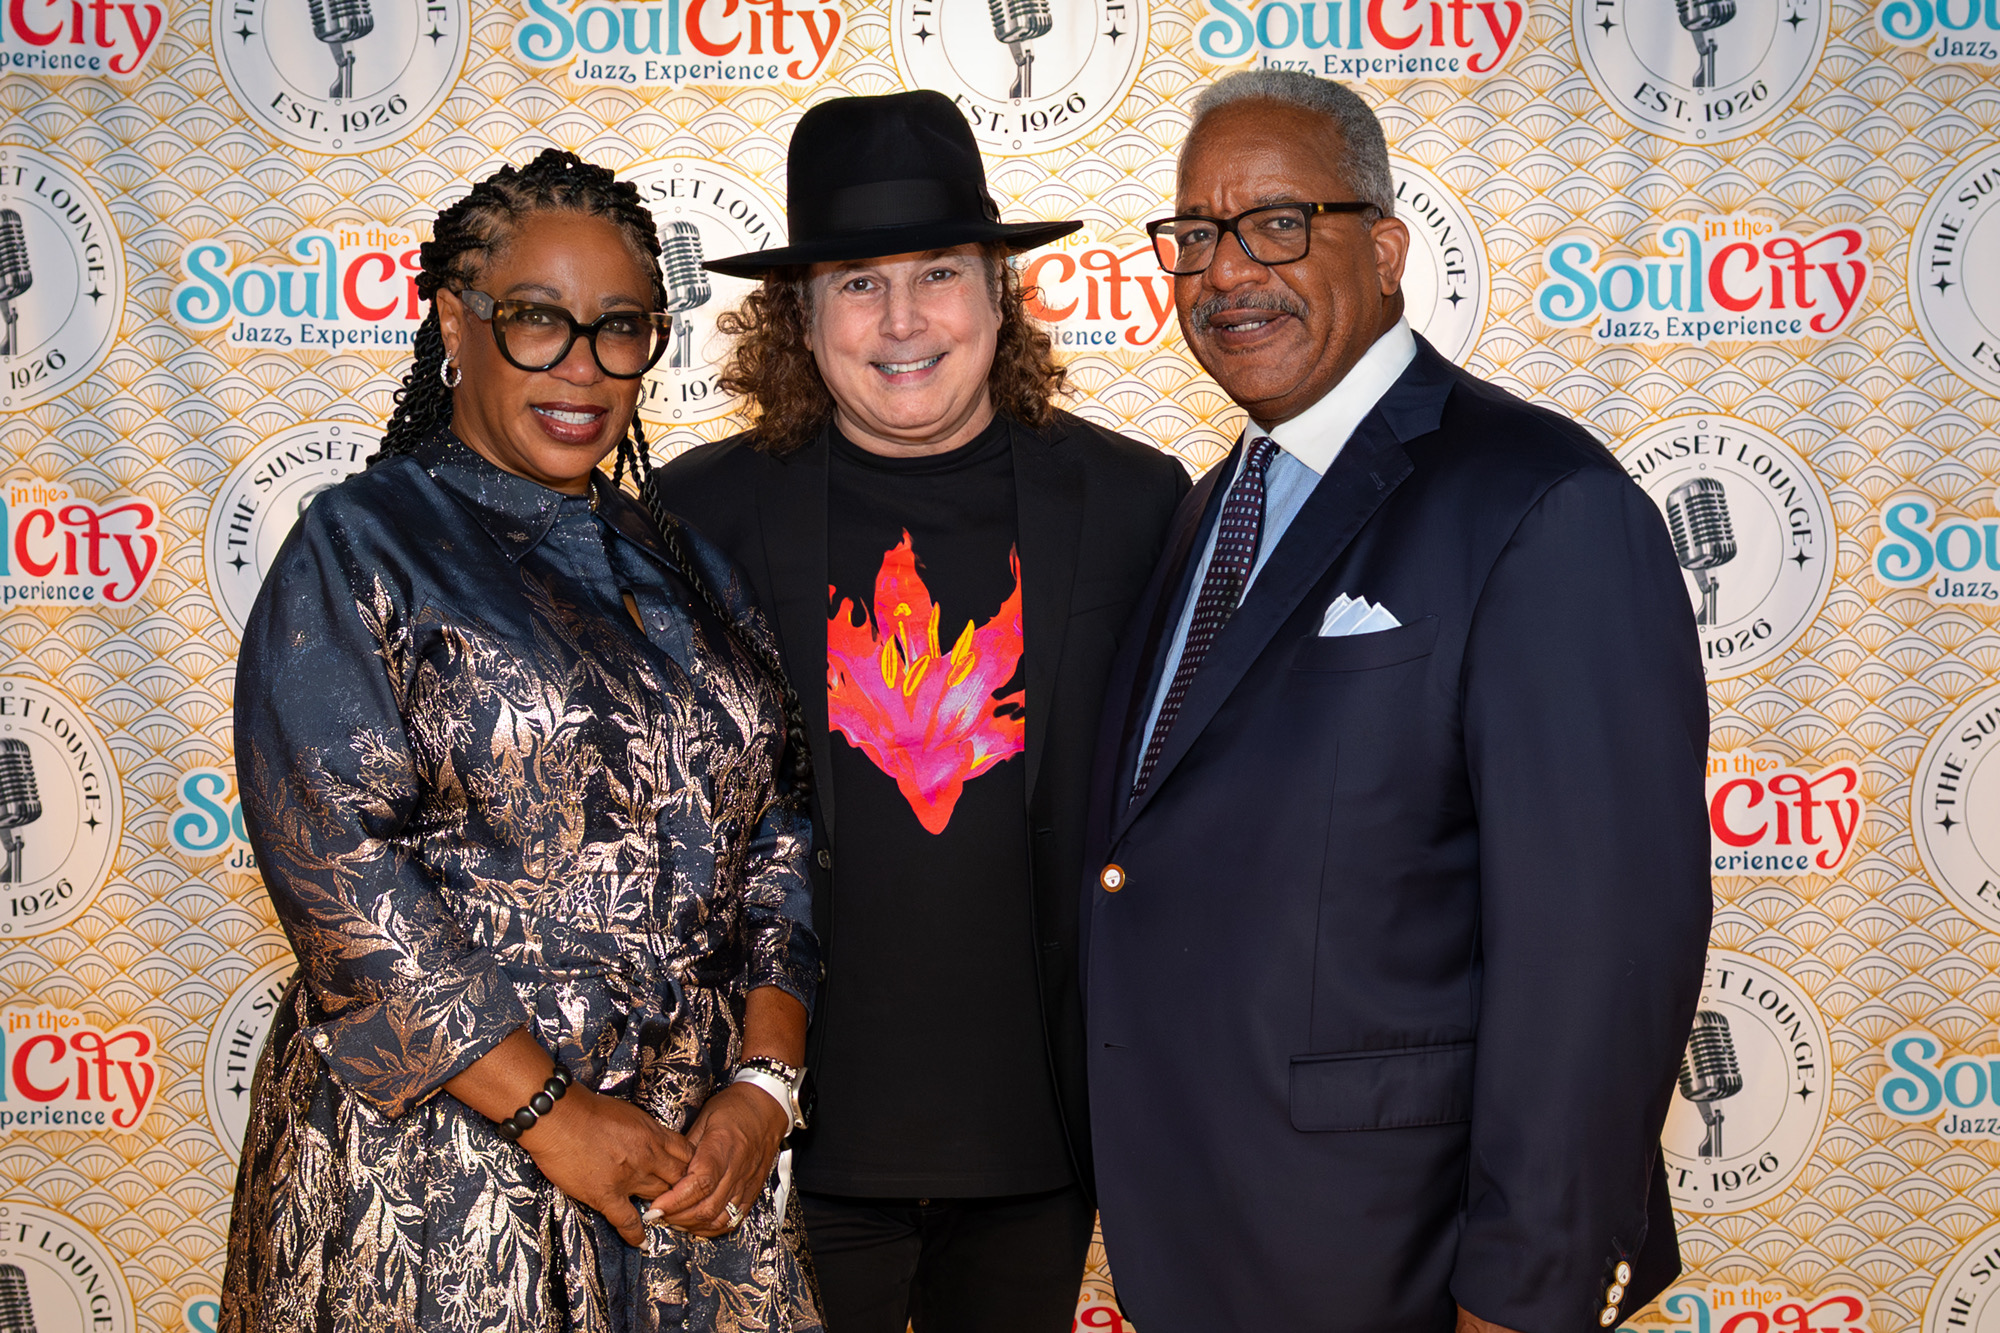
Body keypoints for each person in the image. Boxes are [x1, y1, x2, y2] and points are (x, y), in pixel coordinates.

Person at [1081, 70, 1712, 1333]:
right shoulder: (1212, 505)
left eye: (1273, 223)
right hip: (1200, 1240)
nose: (1224, 271)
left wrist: (1524, 1293)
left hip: (1400, 1265)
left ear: (1383, 252)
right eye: (1192, 236)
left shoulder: (1539, 505)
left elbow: (1597, 955)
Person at [221, 149, 823, 1333]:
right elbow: (337, 865)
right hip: (443, 1167)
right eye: (539, 322)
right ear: (457, 318)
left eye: (621, 329)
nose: (585, 370)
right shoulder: (362, 545)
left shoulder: (685, 566)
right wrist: (552, 1112)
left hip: (691, 1169)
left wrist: (763, 1085)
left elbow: (782, 832)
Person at [651, 91, 1189, 1333]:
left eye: (938, 272)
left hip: (1041, 1136)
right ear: (798, 313)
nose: (901, 321)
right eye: (854, 281)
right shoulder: (698, 518)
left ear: (998, 291)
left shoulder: (1132, 504)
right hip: (782, 1139)